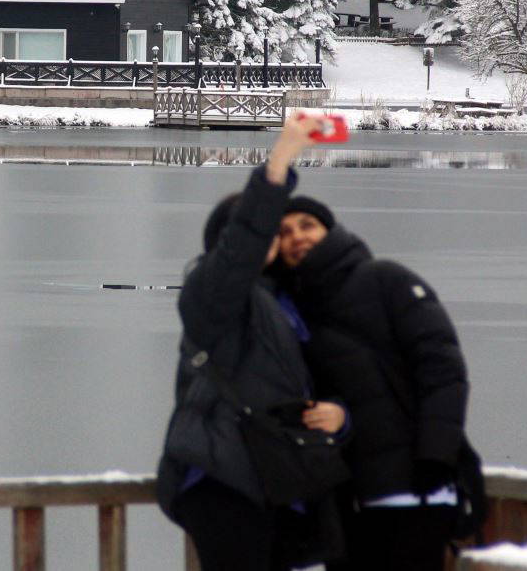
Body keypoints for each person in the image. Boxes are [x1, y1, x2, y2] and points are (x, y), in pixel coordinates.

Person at [157, 116, 350, 571]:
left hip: (279, 480)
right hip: (222, 480)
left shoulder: (283, 303)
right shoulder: (209, 295)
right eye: (261, 231)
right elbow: (237, 253)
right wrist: (281, 159)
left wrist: (340, 416)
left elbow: (319, 383)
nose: (271, 239)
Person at [271, 194, 470, 571]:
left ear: (330, 231)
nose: (297, 236)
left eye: (307, 225)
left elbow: (443, 369)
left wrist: (436, 456)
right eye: (284, 231)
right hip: (345, 500)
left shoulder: (386, 280)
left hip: (415, 490)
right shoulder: (289, 310)